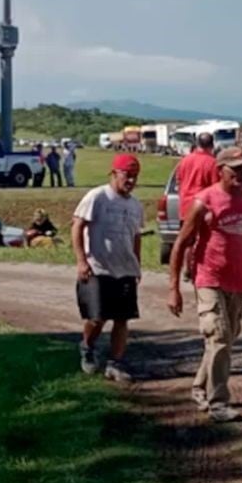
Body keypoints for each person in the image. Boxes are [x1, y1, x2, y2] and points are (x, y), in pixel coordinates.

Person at [168, 148, 242, 423]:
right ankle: (218, 403)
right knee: (218, 336)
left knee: (227, 338)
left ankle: (200, 387)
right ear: (220, 171)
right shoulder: (205, 201)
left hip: (239, 280)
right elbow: (181, 244)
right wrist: (174, 288)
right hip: (209, 278)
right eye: (235, 169)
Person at [73, 154, 146, 382]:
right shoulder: (97, 197)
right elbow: (77, 227)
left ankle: (115, 363)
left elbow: (136, 237)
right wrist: (81, 260)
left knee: (122, 318)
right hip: (97, 267)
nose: (131, 181)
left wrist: (137, 264)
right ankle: (87, 346)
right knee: (97, 317)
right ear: (114, 174)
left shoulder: (135, 205)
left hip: (125, 268)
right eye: (127, 175)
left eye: (135, 177)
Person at [175, 132, 220, 277]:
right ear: (211, 145)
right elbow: (215, 187)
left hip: (185, 205)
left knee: (187, 239)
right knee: (203, 239)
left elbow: (178, 181)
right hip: (202, 206)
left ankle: (186, 268)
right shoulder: (212, 162)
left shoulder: (184, 160)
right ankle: (199, 267)